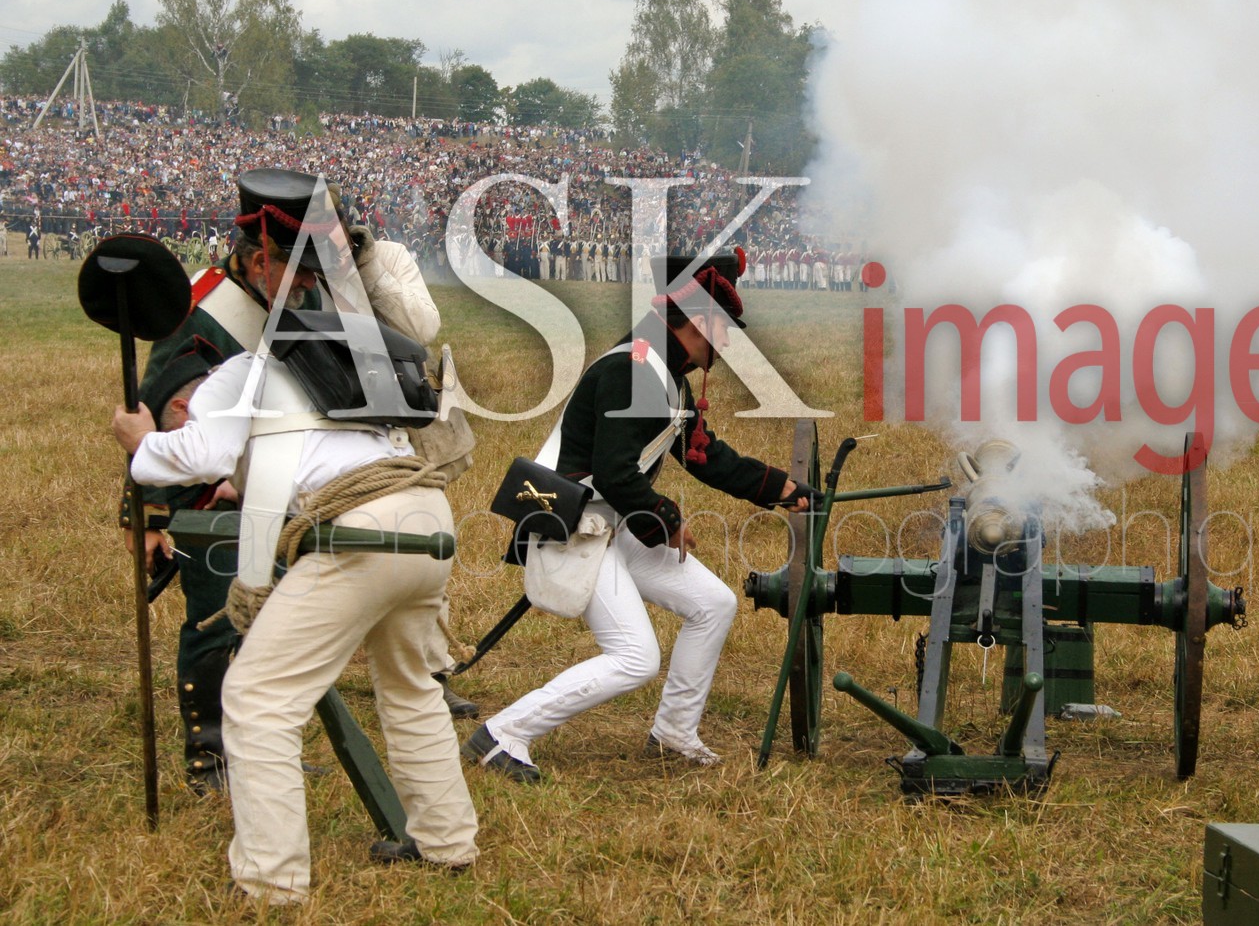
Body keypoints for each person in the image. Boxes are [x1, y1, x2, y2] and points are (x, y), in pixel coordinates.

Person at [111, 299, 479, 903]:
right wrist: (244, 481)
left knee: (257, 697)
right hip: (425, 517)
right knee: (411, 684)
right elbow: (302, 455)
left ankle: (270, 881)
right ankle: (447, 841)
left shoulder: (237, 372)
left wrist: (142, 442)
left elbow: (201, 454)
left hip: (364, 531)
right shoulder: (325, 372)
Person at [125, 168, 475, 795]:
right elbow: (162, 410)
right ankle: (211, 758)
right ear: (262, 259)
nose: (314, 283)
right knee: (216, 620)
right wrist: (149, 516)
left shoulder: (306, 301)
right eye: (304, 271)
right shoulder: (201, 309)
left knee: (273, 625)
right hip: (211, 490)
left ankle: (261, 752)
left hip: (294, 490)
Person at [463, 249, 814, 776]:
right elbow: (614, 473)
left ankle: (674, 732)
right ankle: (503, 733)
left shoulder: (665, 373)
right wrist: (666, 520)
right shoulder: (633, 371)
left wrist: (782, 488)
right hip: (574, 524)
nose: (725, 341)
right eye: (722, 328)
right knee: (635, 657)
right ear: (697, 322)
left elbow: (705, 456)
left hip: (609, 521)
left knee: (714, 604)